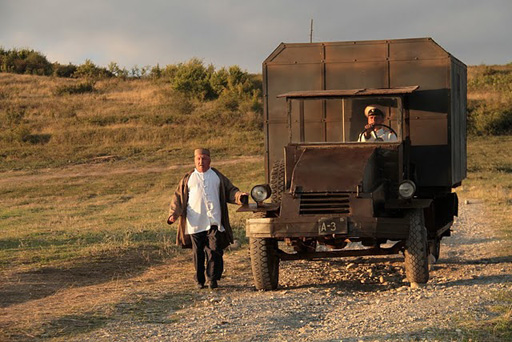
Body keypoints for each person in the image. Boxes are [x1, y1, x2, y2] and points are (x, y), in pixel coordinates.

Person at [167, 148, 248, 290]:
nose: (201, 161)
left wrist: (239, 196)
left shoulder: (217, 176)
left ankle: (212, 278)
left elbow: (231, 190)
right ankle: (199, 280)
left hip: (214, 220)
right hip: (195, 222)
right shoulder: (188, 178)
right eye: (198, 159)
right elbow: (178, 198)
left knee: (214, 250)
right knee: (198, 252)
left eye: (204, 158)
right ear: (194, 160)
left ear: (209, 160)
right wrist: (173, 214)